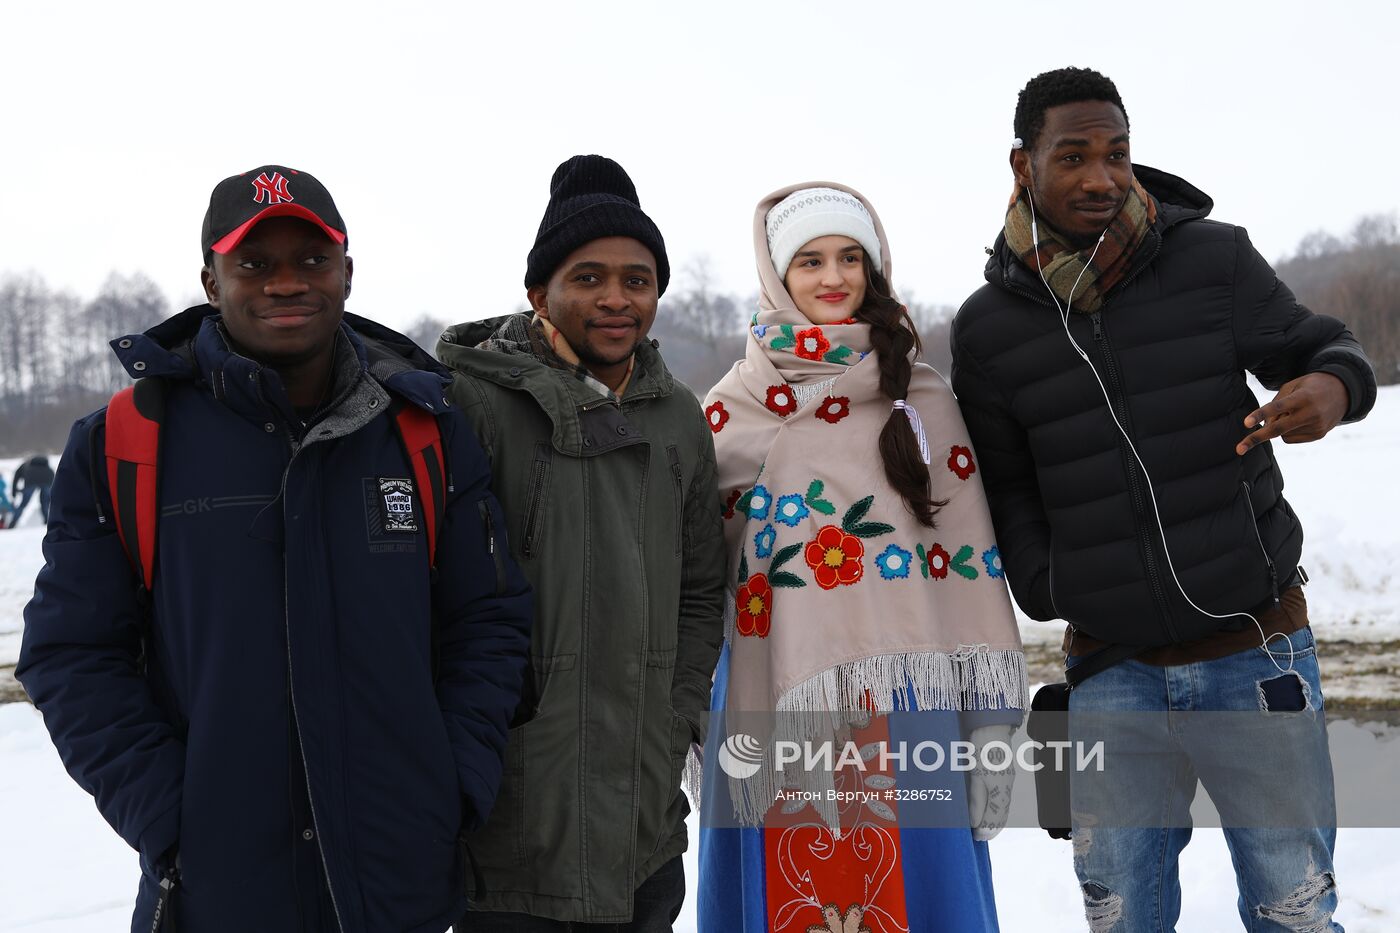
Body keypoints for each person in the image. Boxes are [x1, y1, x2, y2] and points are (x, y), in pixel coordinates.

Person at [17, 164, 533, 933]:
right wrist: (169, 816)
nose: (287, 282)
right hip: (216, 898)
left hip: (402, 890)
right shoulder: (125, 442)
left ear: (348, 272)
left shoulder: (426, 430)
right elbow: (70, 654)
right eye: (254, 263)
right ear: (209, 278)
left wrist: (453, 784)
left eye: (312, 260)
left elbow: (487, 622)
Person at [951, 67, 1377, 932]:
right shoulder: (989, 329)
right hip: (1111, 674)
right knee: (1121, 915)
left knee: (1292, 908)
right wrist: (1053, 584)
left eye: (1116, 153)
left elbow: (1319, 345)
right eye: (1073, 155)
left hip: (1256, 654)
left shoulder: (1212, 259)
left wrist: (1333, 387)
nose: (1101, 177)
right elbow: (1007, 487)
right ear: (1023, 164)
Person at [697, 183, 1027, 932]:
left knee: (916, 896)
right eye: (809, 260)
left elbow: (967, 563)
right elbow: (693, 569)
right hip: (772, 703)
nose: (833, 276)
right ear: (777, 275)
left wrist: (990, 725)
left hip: (908, 703)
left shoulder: (922, 399)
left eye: (851, 257)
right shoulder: (732, 407)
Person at [436, 154, 726, 931]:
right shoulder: (472, 404)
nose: (616, 299)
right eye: (588, 277)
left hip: (644, 829)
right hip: (514, 835)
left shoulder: (679, 420)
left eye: (637, 279)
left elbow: (701, 589)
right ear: (540, 292)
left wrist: (677, 721)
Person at [9, 452, 54, 525]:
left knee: (23, 504)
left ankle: (13, 523)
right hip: (47, 480)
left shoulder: (24, 466)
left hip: (31, 481)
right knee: (45, 503)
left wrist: (14, 493)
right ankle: (47, 521)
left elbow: (15, 479)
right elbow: (53, 477)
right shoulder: (46, 466)